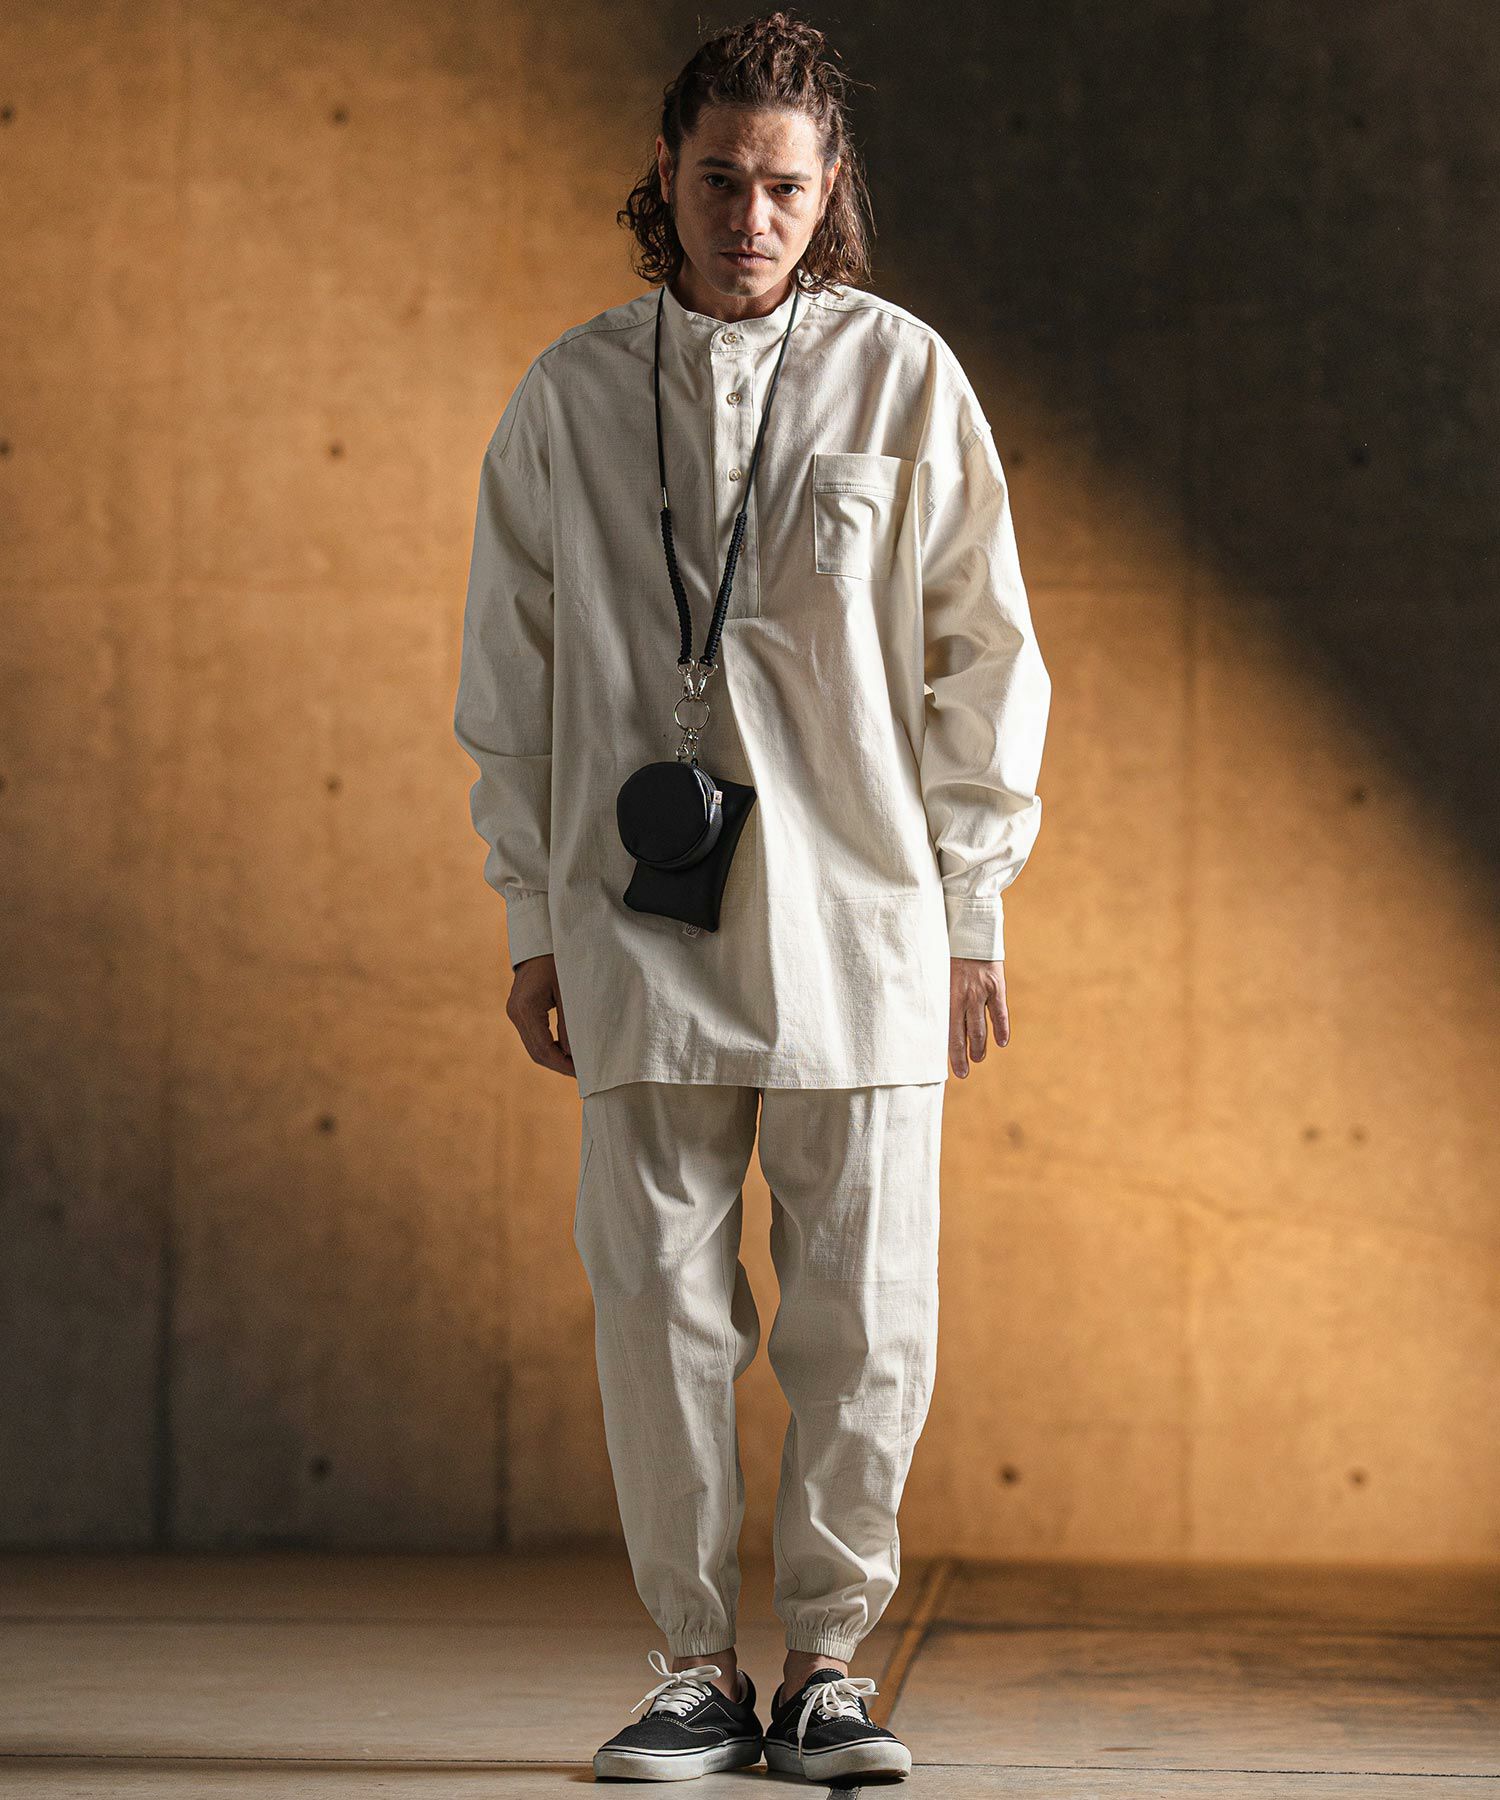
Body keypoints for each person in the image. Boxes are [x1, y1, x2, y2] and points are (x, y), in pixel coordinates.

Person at [453, 10, 1051, 1784]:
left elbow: (985, 656)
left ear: (830, 183)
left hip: (864, 921)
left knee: (866, 1314)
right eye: (719, 179)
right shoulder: (572, 395)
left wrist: (972, 909)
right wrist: (529, 917)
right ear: (668, 172)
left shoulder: (903, 378)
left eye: (785, 185)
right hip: (635, 920)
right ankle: (695, 1670)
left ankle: (834, 1667)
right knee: (657, 1304)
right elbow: (510, 678)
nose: (751, 216)